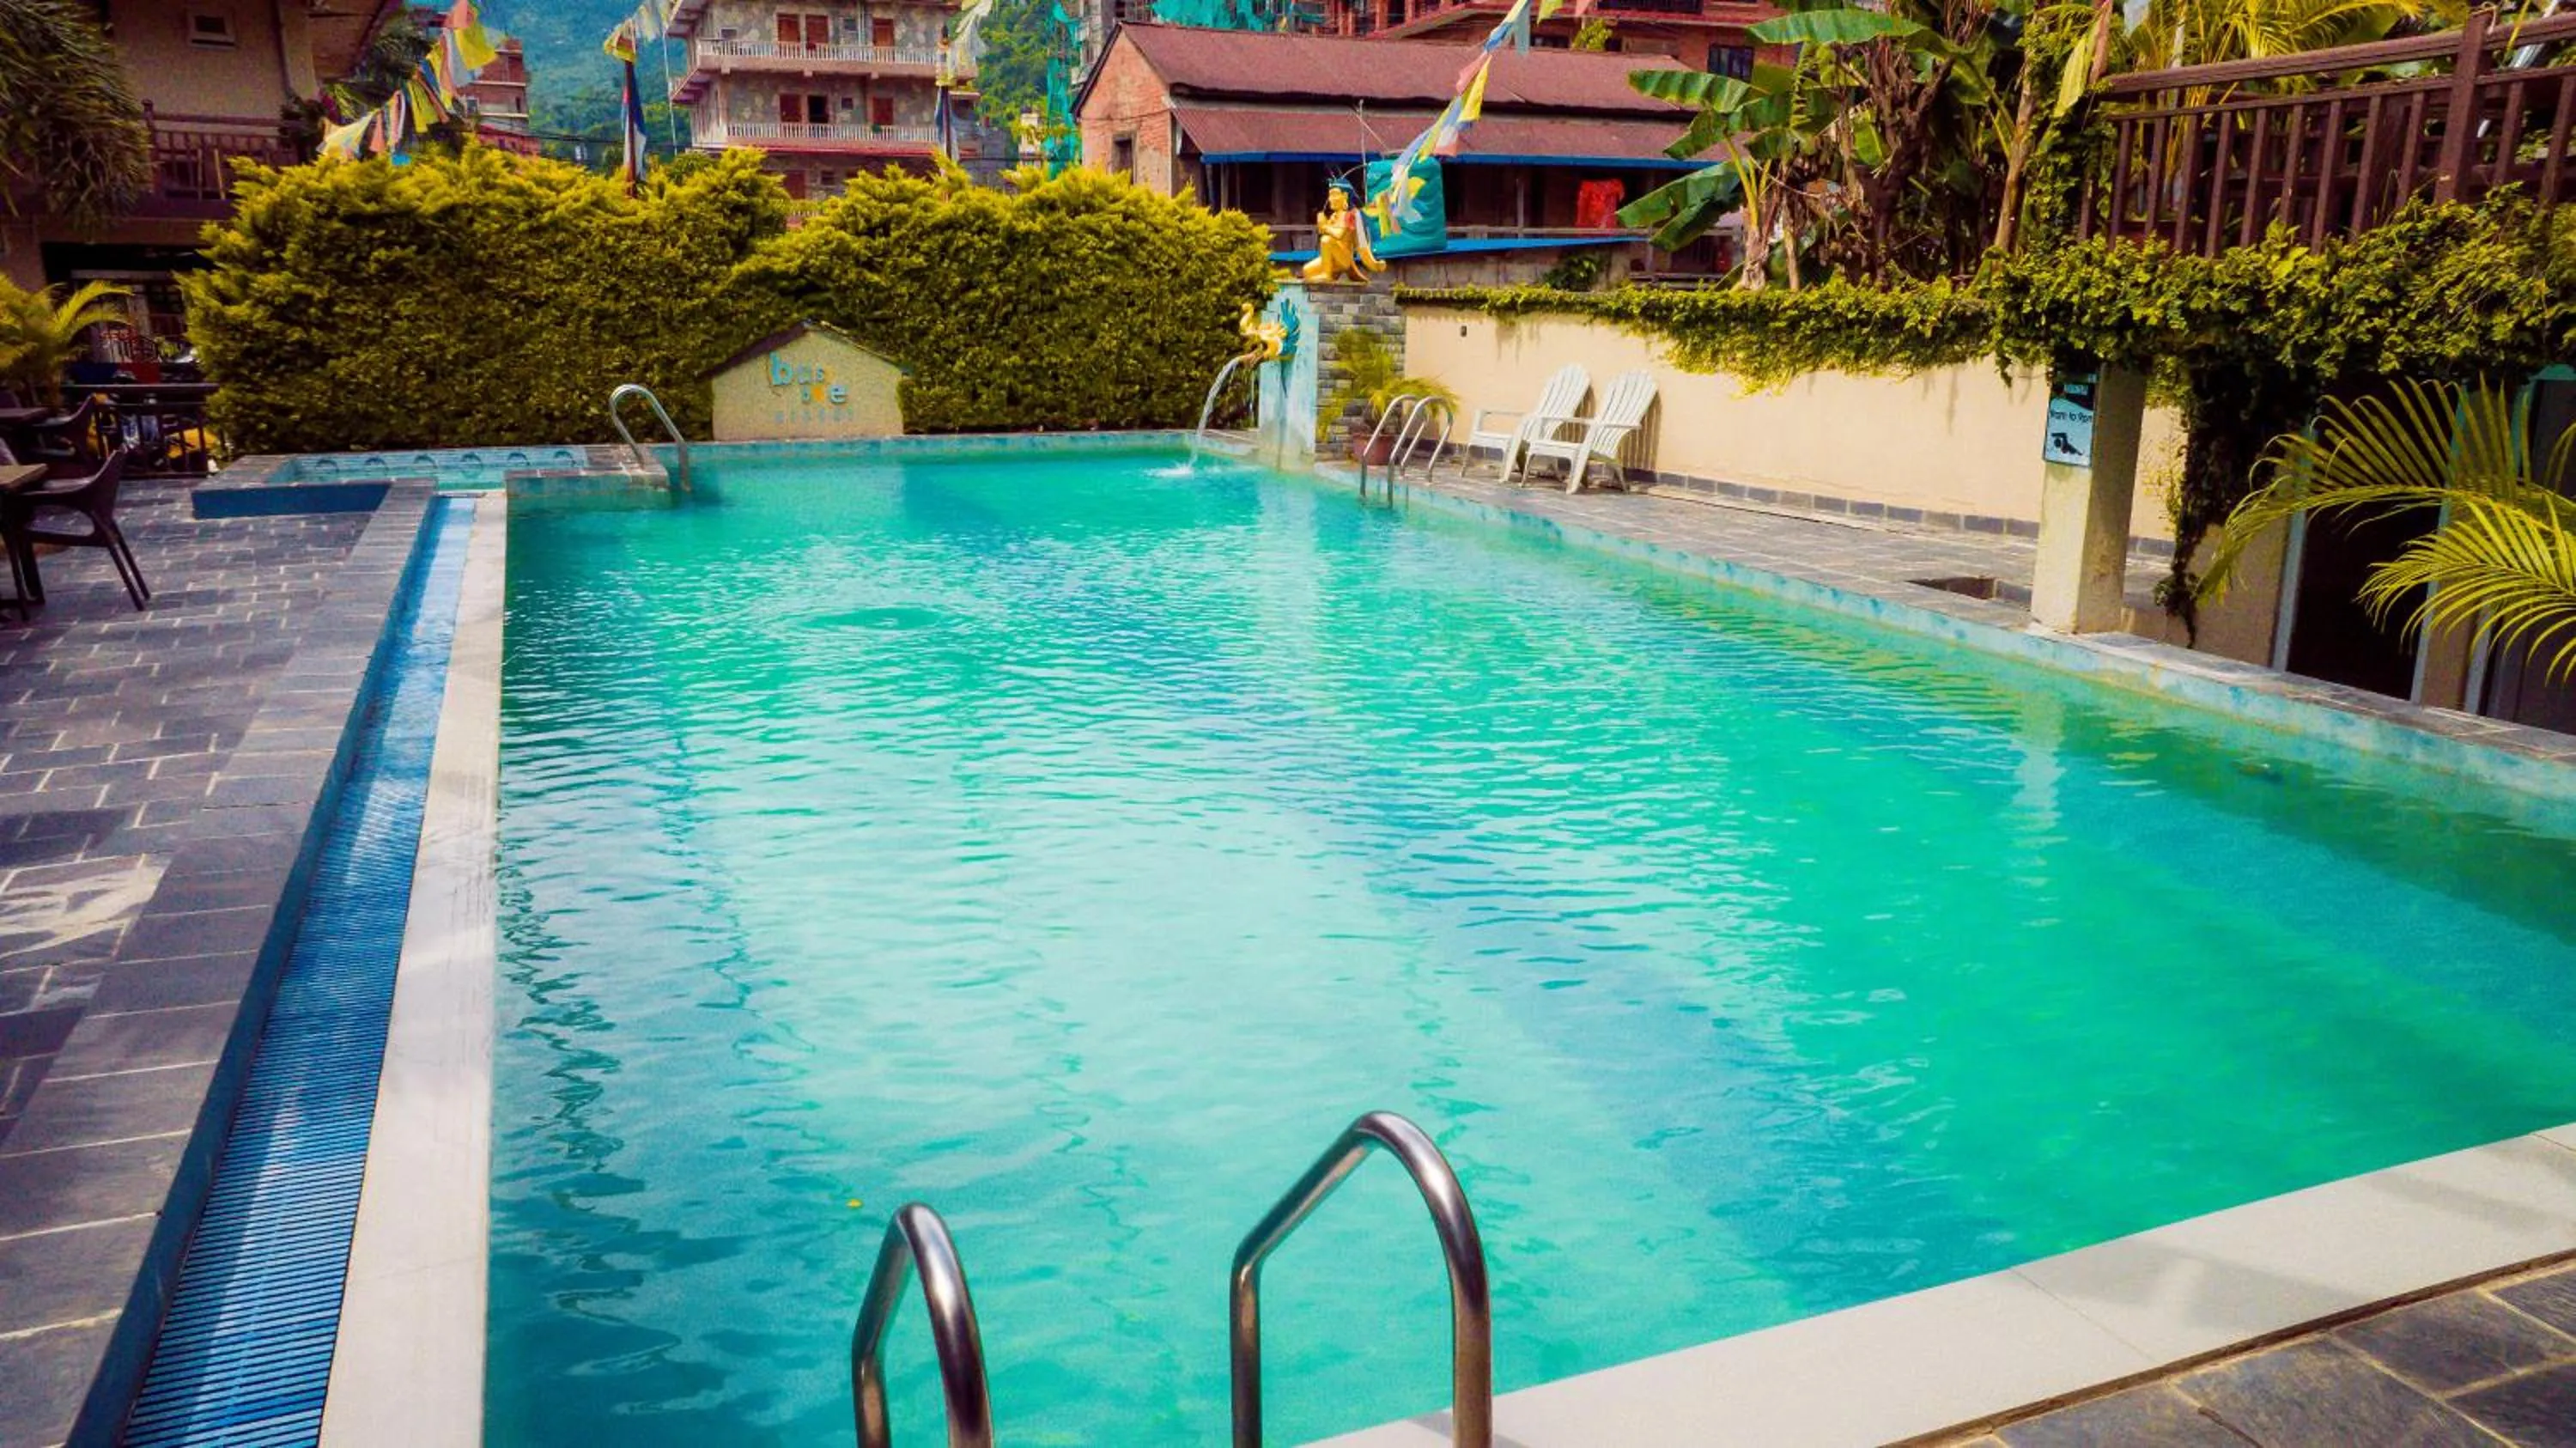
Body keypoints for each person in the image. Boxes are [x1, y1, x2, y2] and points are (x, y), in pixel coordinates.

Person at [1300, 182, 1384, 285]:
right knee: (1307, 271)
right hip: (1331, 257)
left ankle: (1327, 274)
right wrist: (1322, 222)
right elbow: (1323, 231)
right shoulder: (1333, 216)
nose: (1330, 199)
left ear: (1345, 196)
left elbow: (1339, 234)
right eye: (1330, 195)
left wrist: (1375, 264)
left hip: (1343, 258)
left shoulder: (1351, 215)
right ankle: (1331, 271)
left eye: (1335, 194)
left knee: (1326, 240)